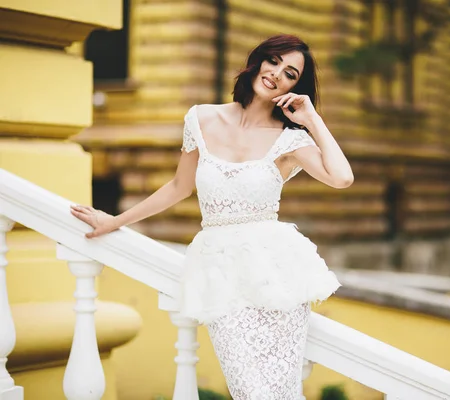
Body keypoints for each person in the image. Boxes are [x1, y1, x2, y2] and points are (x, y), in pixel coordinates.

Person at [70, 34, 354, 399]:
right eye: (274, 61)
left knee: (279, 392)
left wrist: (312, 118)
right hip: (219, 271)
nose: (277, 74)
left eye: (290, 73)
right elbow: (178, 187)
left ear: (294, 88)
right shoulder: (202, 118)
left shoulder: (290, 141)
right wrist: (114, 221)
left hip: (277, 276)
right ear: (258, 60)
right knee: (248, 389)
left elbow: (342, 178)